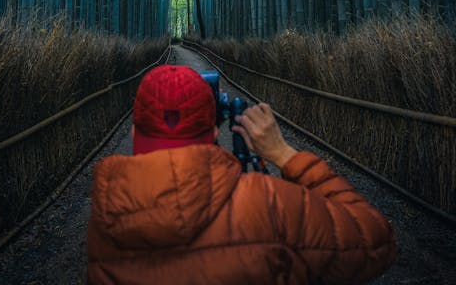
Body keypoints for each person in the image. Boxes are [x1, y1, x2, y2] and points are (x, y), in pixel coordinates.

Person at [87, 64, 396, 284]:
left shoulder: (105, 219)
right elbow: (375, 241)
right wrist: (283, 154)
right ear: (213, 130)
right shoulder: (266, 203)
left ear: (133, 132)